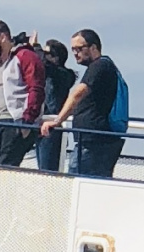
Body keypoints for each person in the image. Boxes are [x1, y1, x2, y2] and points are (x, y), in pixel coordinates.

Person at [42, 29, 123, 178]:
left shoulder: (99, 66)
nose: (75, 53)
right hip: (93, 141)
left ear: (93, 48)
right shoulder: (102, 67)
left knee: (76, 183)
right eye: (73, 49)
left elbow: (78, 94)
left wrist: (58, 120)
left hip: (93, 143)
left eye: (79, 48)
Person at [0, 19, 45, 167]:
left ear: (3, 37)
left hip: (14, 120)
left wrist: (27, 121)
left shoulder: (24, 56)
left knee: (6, 167)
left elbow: (36, 88)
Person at [34, 40, 77, 172]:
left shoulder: (64, 75)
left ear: (56, 57)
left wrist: (36, 47)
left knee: (48, 170)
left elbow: (48, 66)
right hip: (41, 124)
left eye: (47, 53)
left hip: (54, 126)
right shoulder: (47, 75)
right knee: (42, 168)